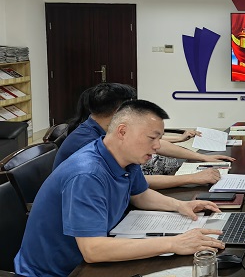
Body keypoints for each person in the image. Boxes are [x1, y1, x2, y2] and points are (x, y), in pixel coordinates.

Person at [15, 100, 225, 277]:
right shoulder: (87, 174)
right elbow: (93, 250)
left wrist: (180, 205)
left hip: (89, 259)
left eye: (159, 138)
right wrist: (174, 244)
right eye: (152, 138)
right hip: (60, 272)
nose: (157, 146)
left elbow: (140, 195)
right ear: (122, 131)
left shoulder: (124, 156)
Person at [54, 83, 235, 189]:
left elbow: (153, 146)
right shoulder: (89, 144)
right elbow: (133, 182)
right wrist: (192, 178)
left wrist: (202, 157)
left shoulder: (112, 130)